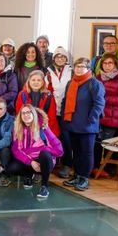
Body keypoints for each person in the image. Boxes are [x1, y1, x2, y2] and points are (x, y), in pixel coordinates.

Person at [61, 58, 105, 192]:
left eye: (82, 67)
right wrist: (64, 116)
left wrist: (91, 120)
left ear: (88, 69)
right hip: (72, 123)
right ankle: (77, 175)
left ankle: (84, 178)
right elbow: (65, 100)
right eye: (77, 66)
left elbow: (99, 104)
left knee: (87, 152)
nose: (79, 69)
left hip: (88, 125)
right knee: (76, 151)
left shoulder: (95, 84)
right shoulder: (71, 83)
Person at [9, 104, 63, 199]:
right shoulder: (18, 129)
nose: (26, 115)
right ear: (20, 116)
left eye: (29, 112)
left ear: (34, 114)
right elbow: (16, 150)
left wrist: (42, 149)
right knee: (12, 168)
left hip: (43, 162)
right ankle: (29, 175)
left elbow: (59, 151)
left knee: (45, 154)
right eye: (23, 113)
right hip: (29, 160)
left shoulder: (43, 128)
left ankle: (44, 186)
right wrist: (31, 161)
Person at [94, 53, 118, 177]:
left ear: (115, 64)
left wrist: (104, 99)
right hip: (97, 116)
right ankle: (95, 168)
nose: (107, 66)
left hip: (112, 118)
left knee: (106, 146)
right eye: (105, 63)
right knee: (96, 144)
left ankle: (106, 170)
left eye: (110, 63)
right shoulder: (98, 78)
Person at [47, 47, 74, 179]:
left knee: (66, 138)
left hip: (66, 110)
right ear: (54, 59)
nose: (60, 59)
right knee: (52, 137)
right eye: (57, 56)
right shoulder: (48, 72)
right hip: (52, 110)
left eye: (62, 56)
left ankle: (67, 164)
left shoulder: (71, 71)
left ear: (66, 59)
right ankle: (52, 162)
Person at [15, 70, 60, 137]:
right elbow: (19, 114)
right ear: (29, 81)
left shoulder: (49, 96)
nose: (36, 82)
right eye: (33, 80)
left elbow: (51, 117)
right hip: (27, 126)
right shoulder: (22, 94)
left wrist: (44, 131)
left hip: (46, 128)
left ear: (43, 82)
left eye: (39, 80)